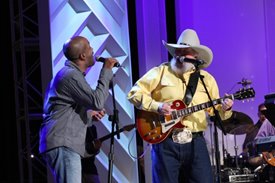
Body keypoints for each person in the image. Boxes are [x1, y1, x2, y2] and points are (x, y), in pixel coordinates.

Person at [127, 29, 233, 183]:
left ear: (196, 57)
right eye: (177, 50)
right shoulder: (160, 72)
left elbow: (215, 112)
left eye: (185, 52)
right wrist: (157, 106)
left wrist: (226, 108)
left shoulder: (207, 79)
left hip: (196, 142)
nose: (179, 55)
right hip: (166, 142)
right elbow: (134, 94)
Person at [39, 36, 118, 183]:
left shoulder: (70, 75)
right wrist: (106, 70)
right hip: (63, 143)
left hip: (63, 142)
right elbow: (97, 101)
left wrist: (88, 115)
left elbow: (64, 110)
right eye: (89, 47)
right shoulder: (71, 76)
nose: (92, 49)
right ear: (82, 55)